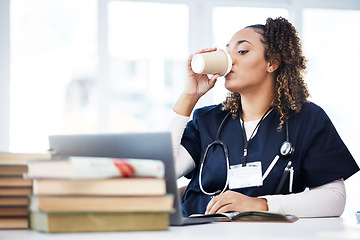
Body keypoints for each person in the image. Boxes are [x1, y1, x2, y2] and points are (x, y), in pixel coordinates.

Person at [167, 17, 359, 218]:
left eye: (242, 51)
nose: (230, 59)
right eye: (227, 52)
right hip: (197, 233)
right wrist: (190, 95)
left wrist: (261, 204)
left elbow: (334, 199)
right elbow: (164, 171)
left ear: (272, 63)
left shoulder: (307, 119)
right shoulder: (207, 120)